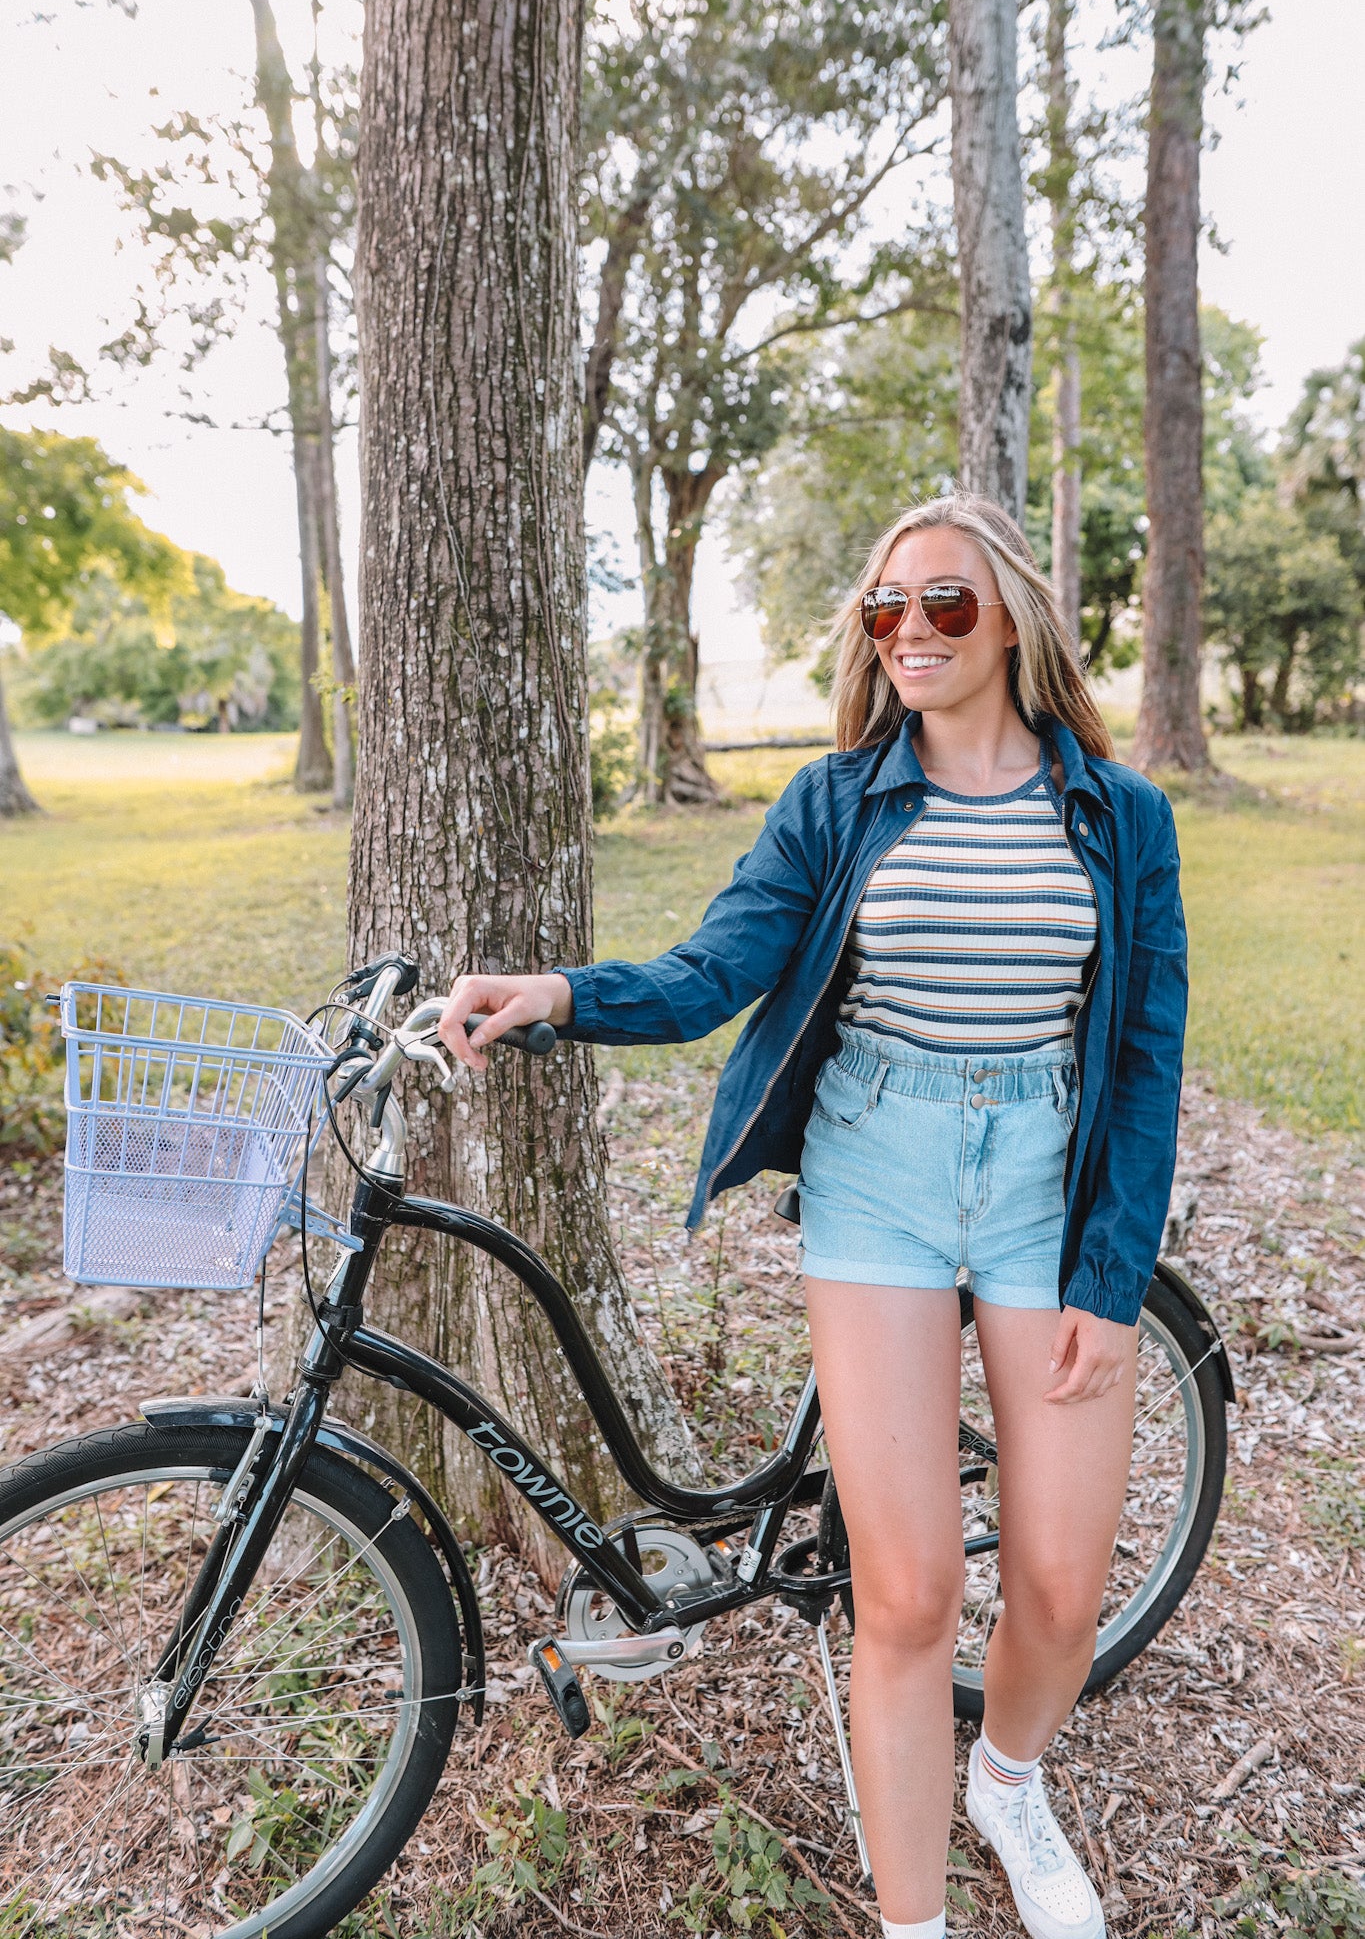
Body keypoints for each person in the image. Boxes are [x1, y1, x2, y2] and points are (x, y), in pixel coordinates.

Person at [439, 492, 1187, 1939]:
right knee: (903, 1599)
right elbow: (717, 966)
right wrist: (561, 998)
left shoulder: (1117, 813)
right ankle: (913, 1928)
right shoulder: (837, 801)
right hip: (879, 1186)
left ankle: (1010, 1782)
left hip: (1046, 1185)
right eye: (885, 610)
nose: (911, 631)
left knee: (1057, 1589)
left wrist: (1111, 1276)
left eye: (945, 604)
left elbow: (1144, 1059)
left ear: (1013, 617)